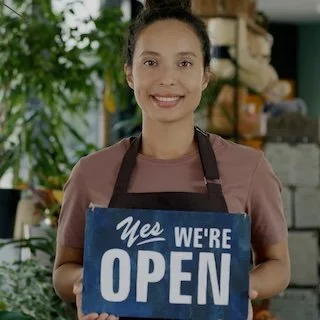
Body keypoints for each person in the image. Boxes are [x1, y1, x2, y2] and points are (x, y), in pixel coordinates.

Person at [52, 0, 291, 319]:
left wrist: (236, 289)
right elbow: (63, 271)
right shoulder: (91, 172)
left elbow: (278, 265)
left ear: (206, 76)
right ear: (129, 75)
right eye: (151, 63)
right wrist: (90, 283)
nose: (167, 79)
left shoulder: (249, 168)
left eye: (184, 63)